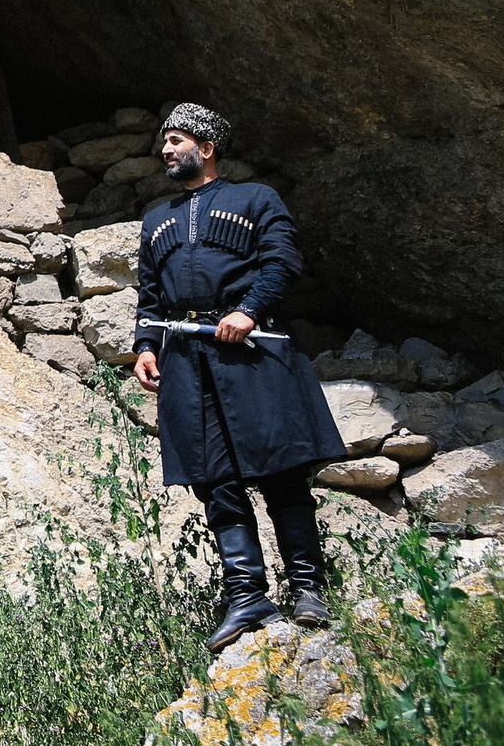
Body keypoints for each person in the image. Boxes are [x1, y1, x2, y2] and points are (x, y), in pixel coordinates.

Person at [131, 102, 347, 651]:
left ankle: (307, 589)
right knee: (215, 482)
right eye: (164, 142)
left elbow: (281, 263)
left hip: (253, 351)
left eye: (176, 140)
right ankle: (246, 596)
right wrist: (146, 346)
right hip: (187, 360)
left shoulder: (256, 199)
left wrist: (249, 309)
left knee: (280, 471)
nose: (166, 150)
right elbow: (150, 294)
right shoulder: (156, 220)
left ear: (206, 148)